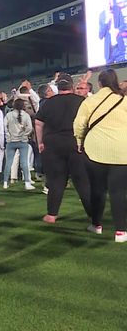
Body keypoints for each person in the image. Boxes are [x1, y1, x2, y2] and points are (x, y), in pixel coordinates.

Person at [74, 69, 127, 242]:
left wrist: (79, 142)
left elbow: (79, 124)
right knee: (118, 191)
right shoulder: (124, 100)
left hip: (95, 150)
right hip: (122, 150)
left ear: (99, 84)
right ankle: (120, 231)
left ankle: (96, 225)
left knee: (97, 189)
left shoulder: (90, 101)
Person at [35, 73, 91, 224]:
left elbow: (38, 123)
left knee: (56, 181)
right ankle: (93, 215)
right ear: (72, 86)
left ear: (57, 86)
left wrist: (40, 142)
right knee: (82, 181)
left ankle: (52, 215)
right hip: (76, 145)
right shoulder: (81, 101)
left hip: (53, 146)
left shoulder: (48, 103)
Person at [3, 99, 35, 190]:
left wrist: (8, 137)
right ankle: (27, 183)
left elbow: (4, 126)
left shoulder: (9, 115)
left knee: (8, 162)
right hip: (22, 141)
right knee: (24, 162)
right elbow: (29, 128)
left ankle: (5, 182)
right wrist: (24, 135)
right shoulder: (26, 115)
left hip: (11, 141)